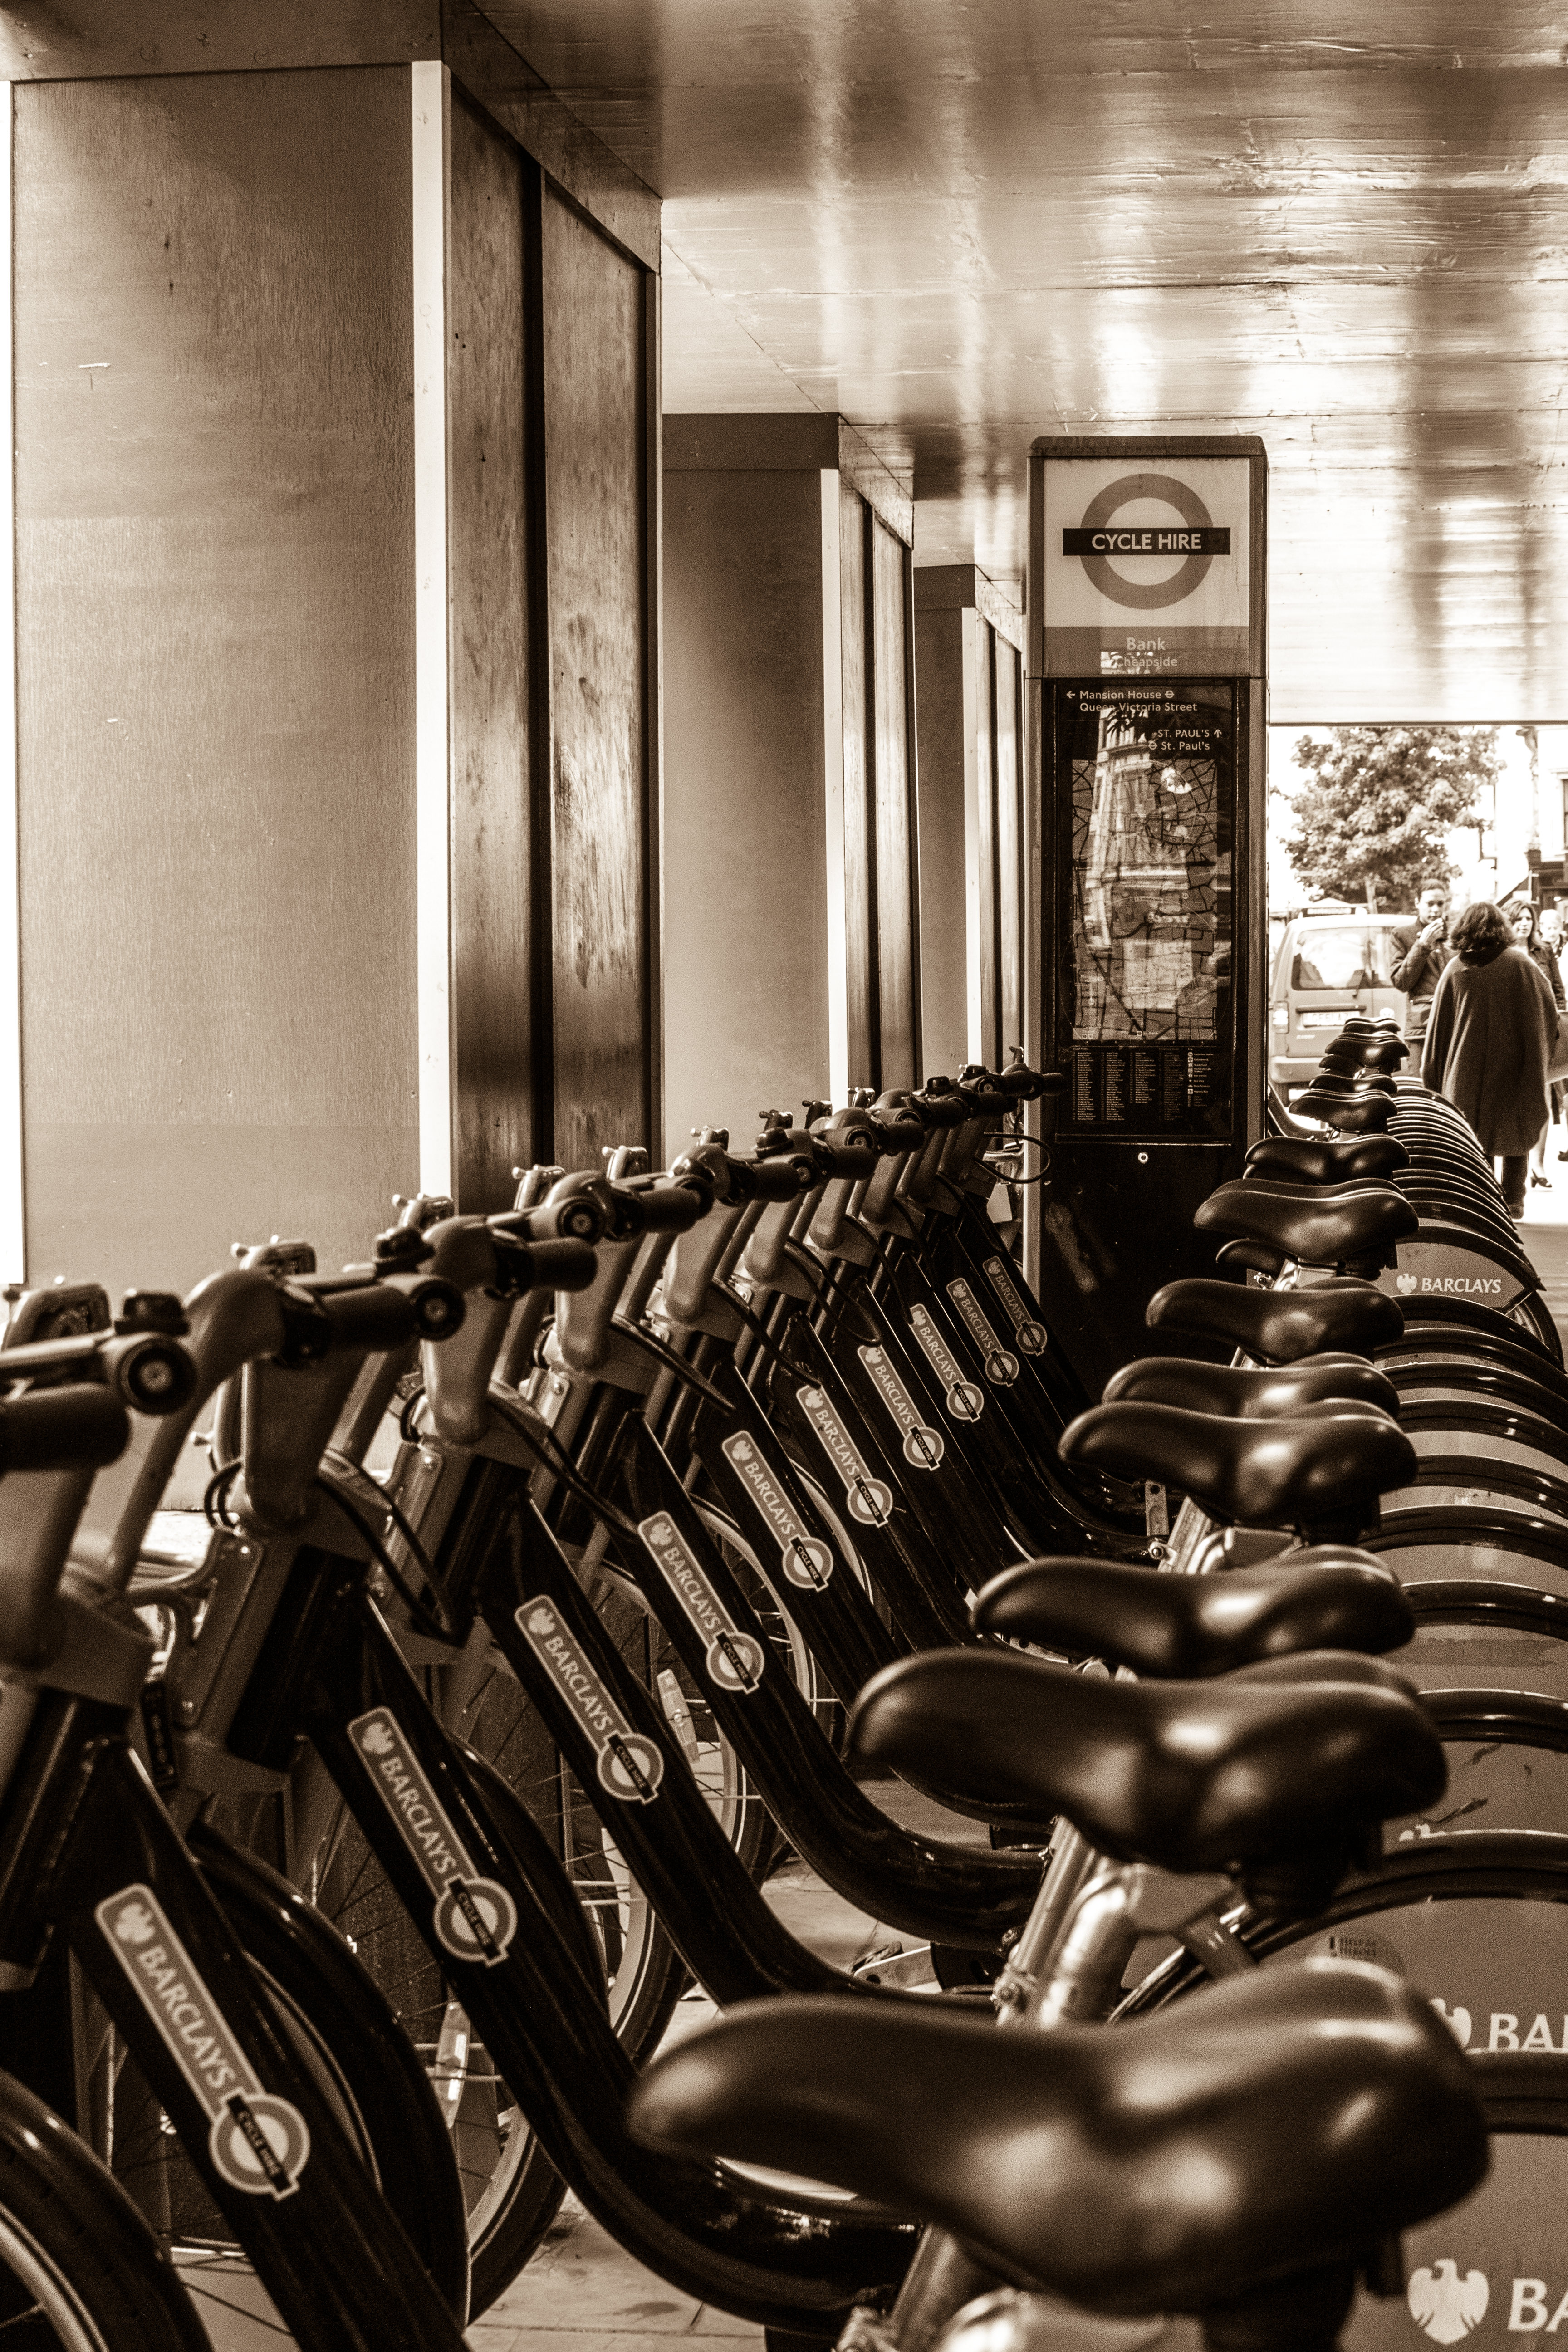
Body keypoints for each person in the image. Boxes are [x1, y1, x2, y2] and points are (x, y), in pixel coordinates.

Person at [1421, 900, 1558, 1219]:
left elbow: (1438, 1029)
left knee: (1472, 1131)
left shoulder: (1456, 969)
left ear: (1463, 929)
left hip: (1464, 1068)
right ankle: (1514, 1198)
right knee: (1515, 1125)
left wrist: (1433, 1076)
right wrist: (1539, 1053)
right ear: (1502, 928)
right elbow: (1548, 1010)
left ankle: (1481, 1196)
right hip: (1513, 1064)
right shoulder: (1520, 964)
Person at [1509, 902, 1567, 1186]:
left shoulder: (1543, 951)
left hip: (1543, 1031)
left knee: (1542, 1096)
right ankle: (1515, 1169)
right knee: (1513, 1101)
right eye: (1518, 919)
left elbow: (1558, 991)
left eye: (1529, 919)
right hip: (1511, 1034)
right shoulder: (1502, 953)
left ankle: (1538, 1165)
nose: (1525, 923)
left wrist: (1559, 1025)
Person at [1391, 881, 1453, 1046]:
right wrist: (1423, 945)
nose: (1436, 910)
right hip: (1422, 1029)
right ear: (1417, 903)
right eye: (1430, 904)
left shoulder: (1456, 935)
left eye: (1440, 904)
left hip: (1454, 1025)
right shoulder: (1402, 935)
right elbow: (1401, 982)